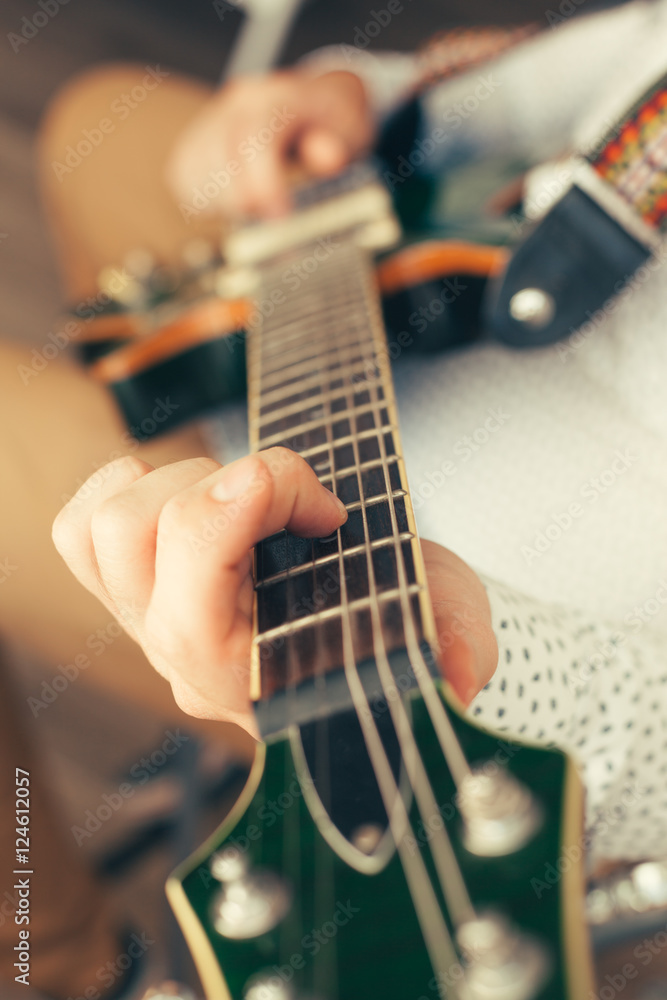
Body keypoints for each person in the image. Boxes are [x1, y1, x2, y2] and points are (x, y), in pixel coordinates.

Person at [4, 0, 667, 995]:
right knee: (105, 120)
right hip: (356, 334)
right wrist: (354, 95)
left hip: (434, 651)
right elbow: (575, 80)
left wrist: (483, 660)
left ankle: (74, 973)